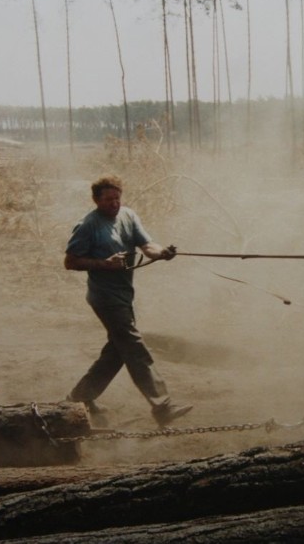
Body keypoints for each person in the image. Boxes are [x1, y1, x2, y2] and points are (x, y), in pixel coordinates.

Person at [64, 175, 192, 427]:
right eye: (108, 199)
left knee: (116, 352)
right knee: (133, 346)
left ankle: (78, 399)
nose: (114, 203)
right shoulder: (88, 225)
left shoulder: (128, 215)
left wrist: (163, 253)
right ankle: (162, 406)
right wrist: (105, 264)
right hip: (104, 297)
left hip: (124, 295)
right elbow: (70, 261)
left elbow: (147, 246)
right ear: (96, 200)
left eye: (117, 198)